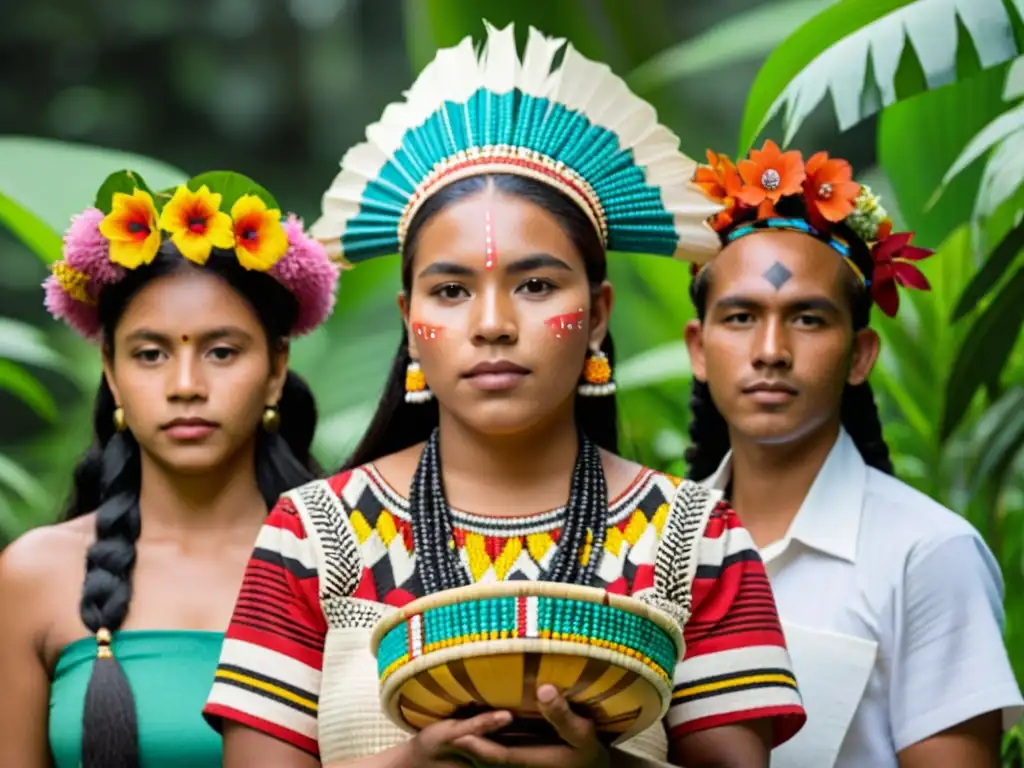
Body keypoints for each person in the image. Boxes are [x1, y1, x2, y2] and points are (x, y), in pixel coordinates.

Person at [205, 23, 806, 768]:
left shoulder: (697, 539)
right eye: (451, 290)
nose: (492, 325)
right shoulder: (311, 538)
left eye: (535, 285)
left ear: (598, 315)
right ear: (411, 324)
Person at [682, 140, 1023, 767]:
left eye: (807, 319)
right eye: (740, 318)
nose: (771, 350)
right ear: (698, 349)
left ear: (861, 354)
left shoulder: (925, 554)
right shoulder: (649, 540)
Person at [0, 170, 340, 768]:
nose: (186, 386)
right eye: (150, 354)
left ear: (277, 366)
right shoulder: (33, 576)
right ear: (110, 370)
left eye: (221, 352)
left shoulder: (349, 565)